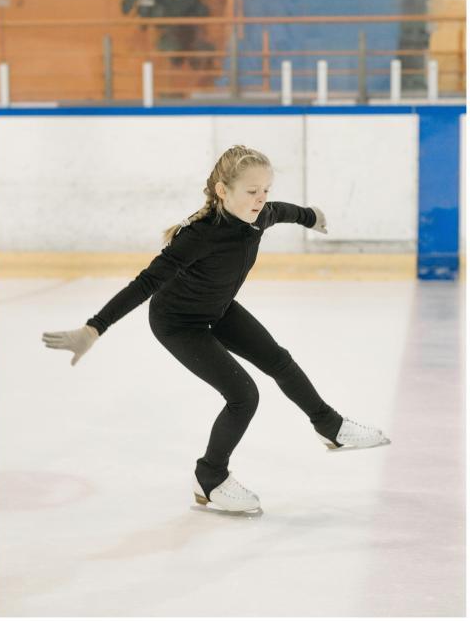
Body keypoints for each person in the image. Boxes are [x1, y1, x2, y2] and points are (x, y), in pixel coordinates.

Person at [42, 145, 390, 514]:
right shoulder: (199, 235)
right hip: (178, 324)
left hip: (218, 309)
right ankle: (210, 478)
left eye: (265, 190)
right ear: (223, 191)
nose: (261, 200)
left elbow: (284, 211)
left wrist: (310, 217)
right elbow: (145, 284)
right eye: (252, 191)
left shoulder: (260, 215)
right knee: (244, 396)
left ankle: (330, 427)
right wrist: (94, 329)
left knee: (279, 361)